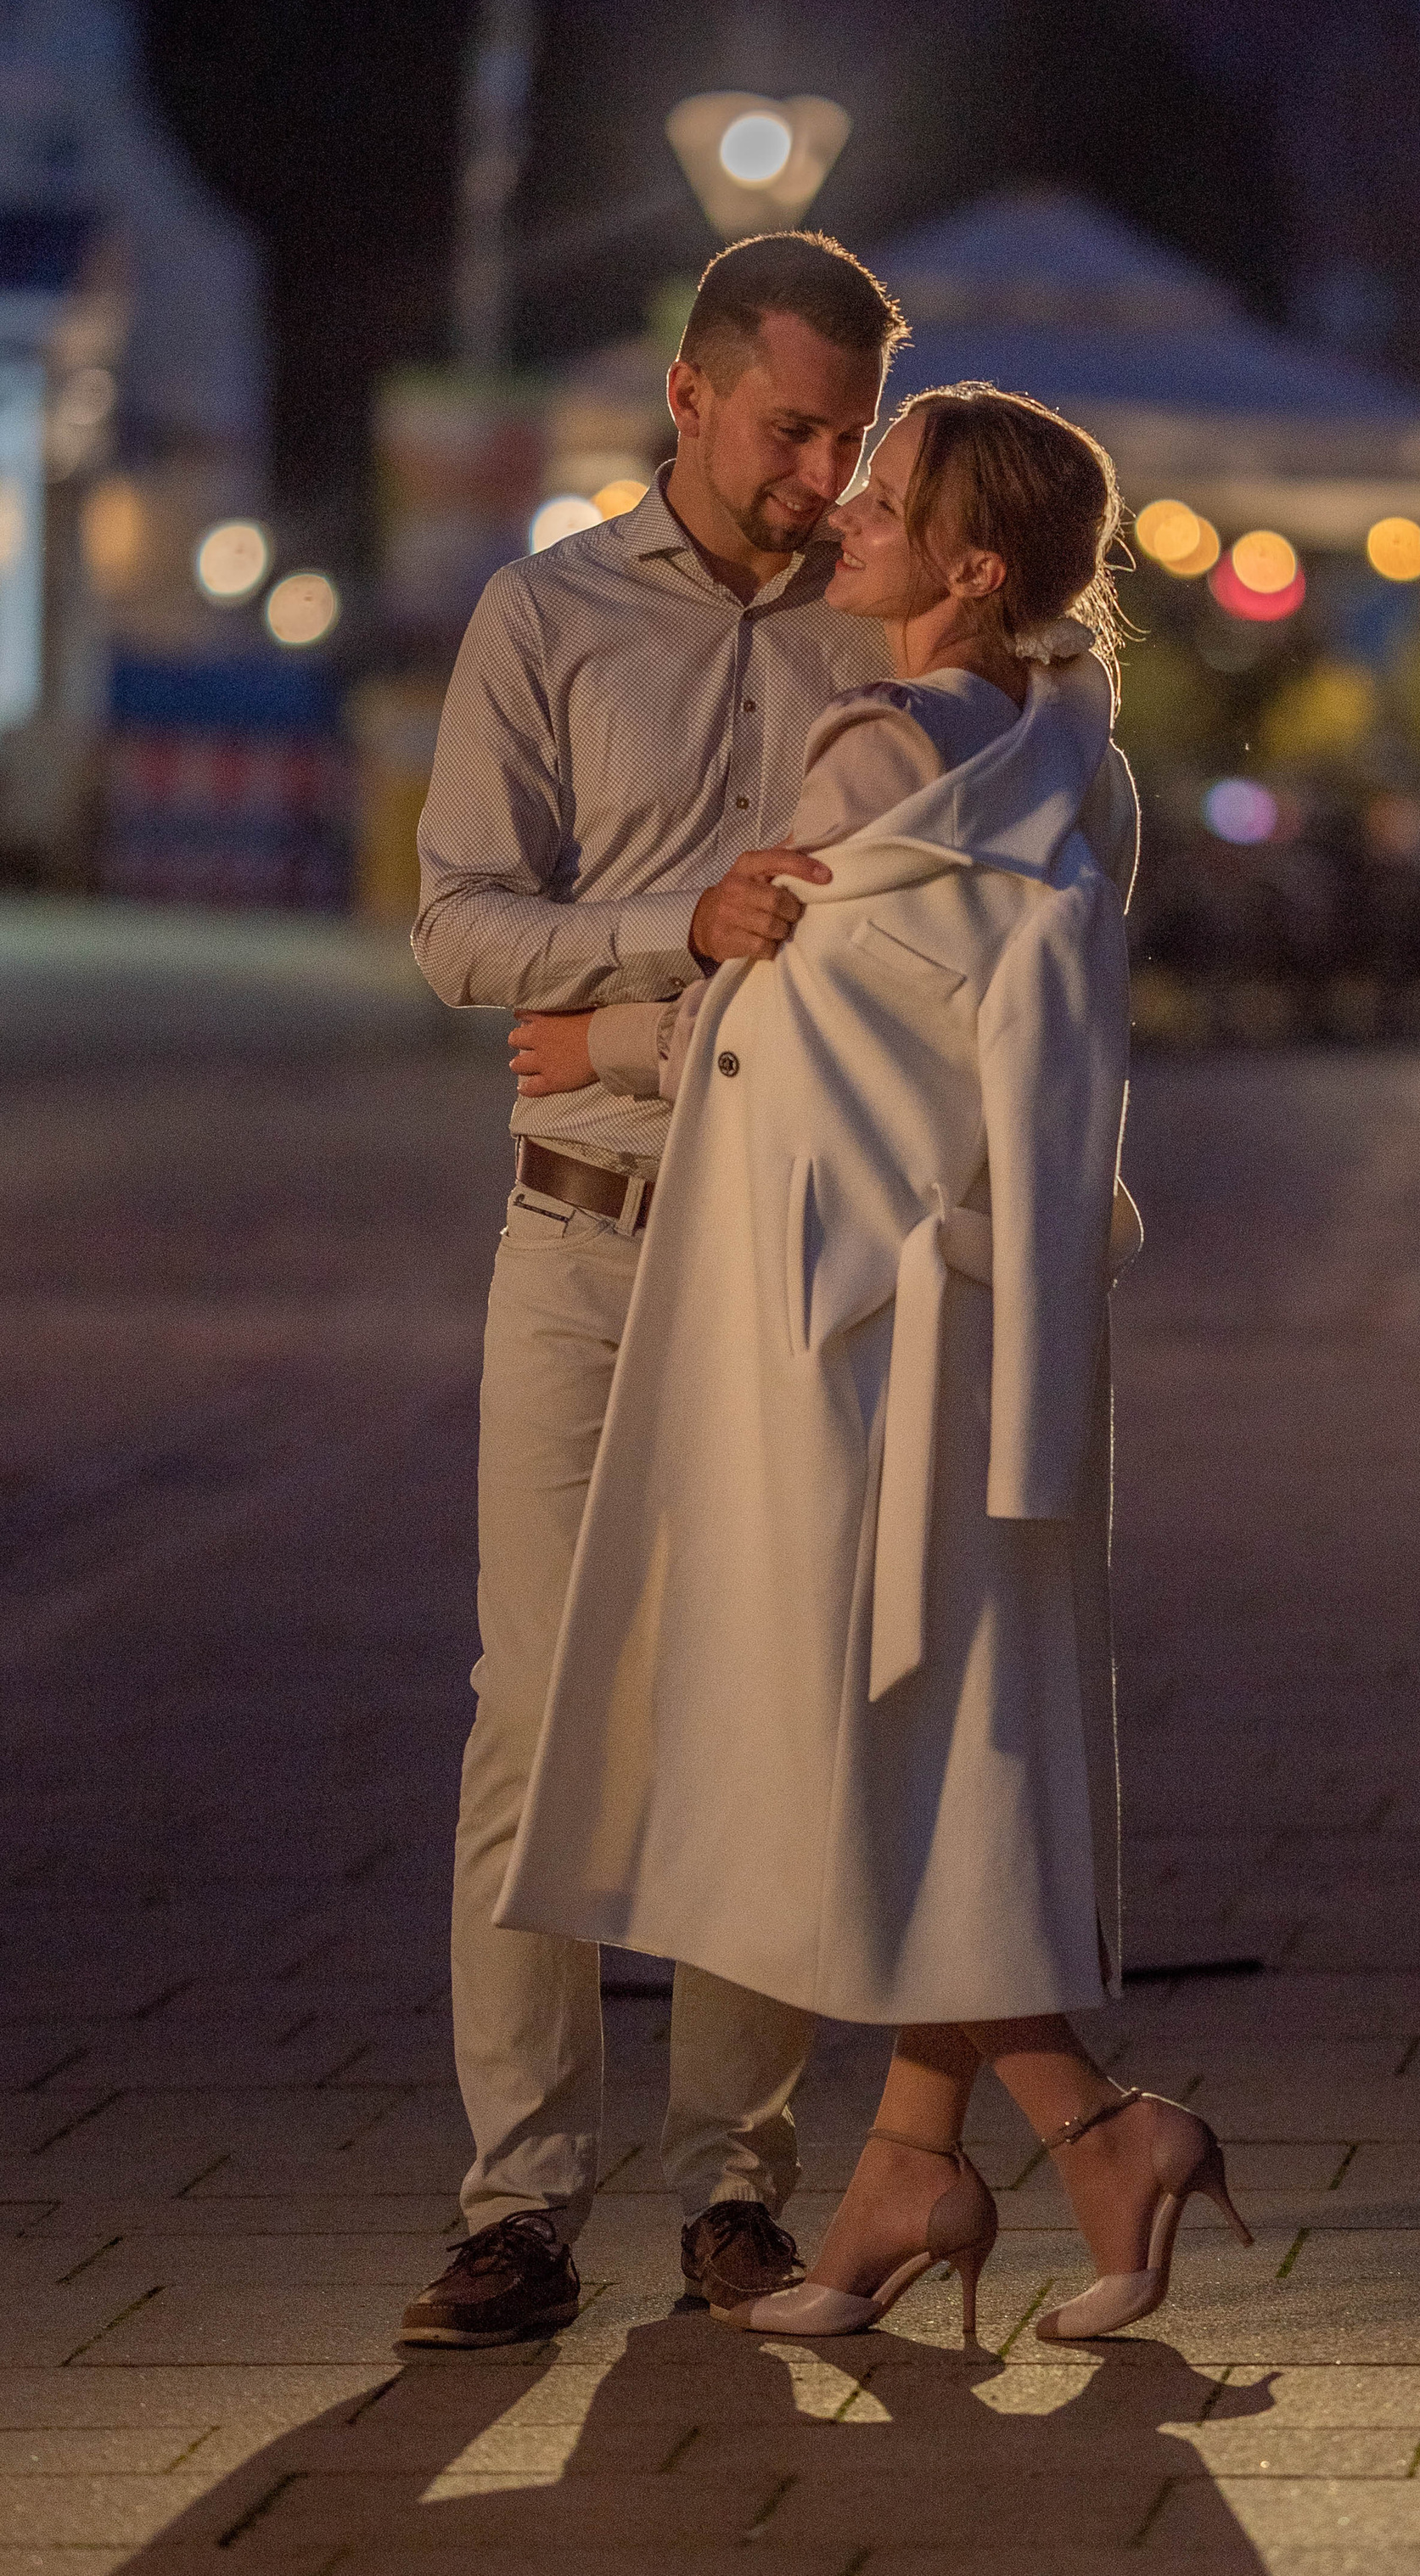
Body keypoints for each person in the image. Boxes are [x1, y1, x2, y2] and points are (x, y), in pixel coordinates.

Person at [497, 385, 1251, 2346]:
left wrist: (611, 1047)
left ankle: (1095, 2126)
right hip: (997, 1317)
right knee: (950, 1730)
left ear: (968, 565)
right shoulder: (1069, 765)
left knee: (853, 1750)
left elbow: (790, 1041)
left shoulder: (875, 753)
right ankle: (911, 2170)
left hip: (848, 1331)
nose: (847, 514)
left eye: (887, 497)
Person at [399, 231, 909, 2350]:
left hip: (784, 1244)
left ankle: (737, 2189)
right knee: (537, 1711)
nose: (823, 477)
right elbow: (453, 928)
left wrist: (646, 996)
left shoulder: (883, 632)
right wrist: (662, 939)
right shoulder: (543, 615)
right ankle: (518, 2203)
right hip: (584, 1238)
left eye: (851, 437)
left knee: (762, 1708)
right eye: (795, 428)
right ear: (688, 396)